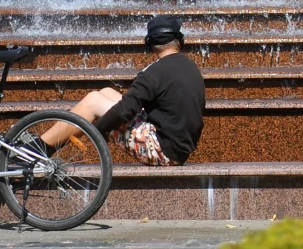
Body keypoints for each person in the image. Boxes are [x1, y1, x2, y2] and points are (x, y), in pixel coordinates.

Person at [38, 15, 206, 166]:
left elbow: (126, 110)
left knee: (93, 102)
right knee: (106, 92)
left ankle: (37, 149)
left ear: (150, 44)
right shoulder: (190, 66)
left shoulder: (154, 72)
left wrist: (98, 130)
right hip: (177, 147)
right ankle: (44, 147)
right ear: (179, 41)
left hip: (163, 151)